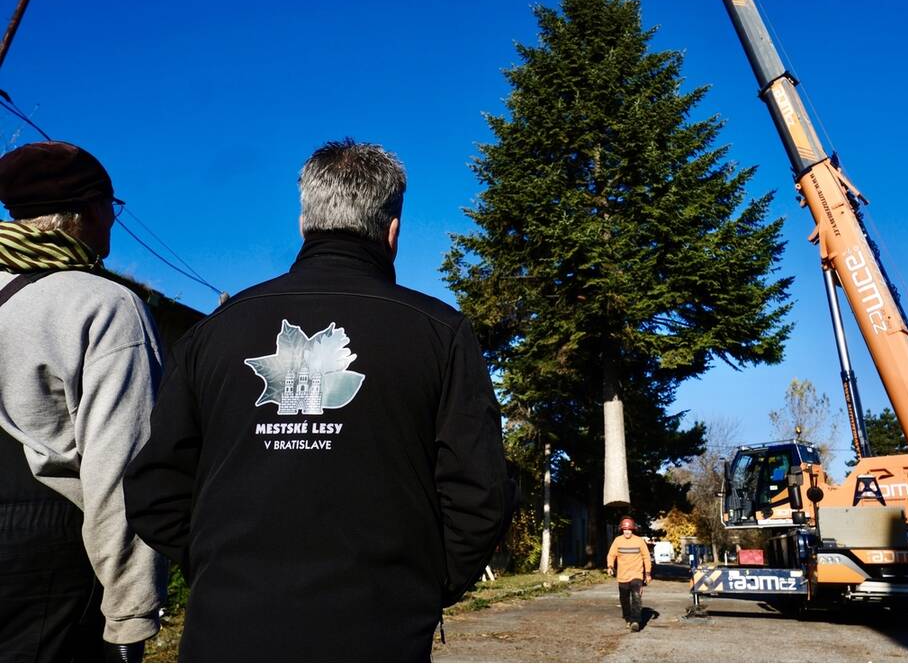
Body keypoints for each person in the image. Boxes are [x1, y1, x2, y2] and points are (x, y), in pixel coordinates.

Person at [124, 138, 514, 662]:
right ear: (392, 230)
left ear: (304, 222)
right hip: (381, 632)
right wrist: (424, 583)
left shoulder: (215, 332)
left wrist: (216, 566)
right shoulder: (440, 333)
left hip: (227, 631)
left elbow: (154, 487)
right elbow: (480, 491)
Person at [0, 141, 166, 662]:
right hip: (48, 564)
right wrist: (130, 615)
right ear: (89, 211)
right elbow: (122, 471)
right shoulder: (104, 305)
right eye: (110, 209)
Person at [606, 516, 652, 632]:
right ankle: (627, 618)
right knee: (624, 599)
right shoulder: (618, 541)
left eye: (629, 530)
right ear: (622, 530)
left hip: (636, 574)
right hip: (622, 575)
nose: (627, 532)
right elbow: (611, 555)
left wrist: (647, 573)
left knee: (636, 596)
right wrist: (610, 566)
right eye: (625, 530)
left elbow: (646, 557)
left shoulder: (639, 541)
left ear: (633, 530)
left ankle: (635, 621)